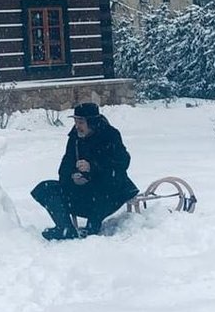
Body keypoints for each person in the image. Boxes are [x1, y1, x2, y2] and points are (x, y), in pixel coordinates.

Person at [31, 102, 139, 240]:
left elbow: (121, 164)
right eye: (75, 121)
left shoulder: (110, 135)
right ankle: (65, 228)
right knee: (44, 189)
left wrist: (92, 168)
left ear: (92, 122)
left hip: (109, 193)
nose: (77, 126)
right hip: (82, 192)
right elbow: (64, 166)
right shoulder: (75, 138)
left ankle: (91, 229)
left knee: (101, 190)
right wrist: (73, 176)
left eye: (81, 122)